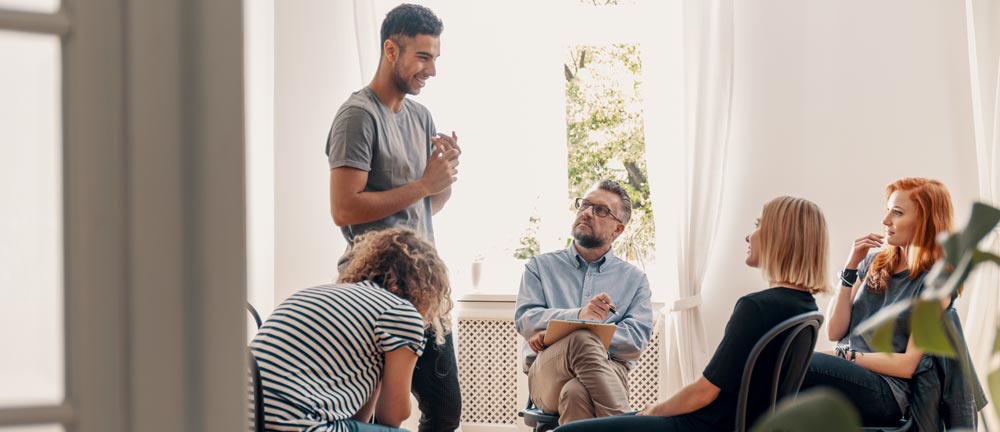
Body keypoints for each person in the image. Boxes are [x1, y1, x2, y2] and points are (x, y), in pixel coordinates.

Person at [555, 195, 829, 432]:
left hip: (703, 426)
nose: (749, 235)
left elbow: (704, 392)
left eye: (758, 226)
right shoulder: (805, 308)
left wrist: (655, 410)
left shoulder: (757, 308)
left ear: (779, 237)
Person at [325, 4, 461, 430]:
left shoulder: (421, 117)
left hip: (424, 285)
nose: (432, 70)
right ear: (390, 50)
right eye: (423, 57)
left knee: (444, 411)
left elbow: (426, 206)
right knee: (377, 412)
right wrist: (424, 183)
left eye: (435, 58)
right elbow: (344, 208)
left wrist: (445, 176)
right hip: (374, 286)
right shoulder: (358, 116)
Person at [250, 227, 452, 432]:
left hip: (243, 420)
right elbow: (393, 416)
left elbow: (357, 419)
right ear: (425, 288)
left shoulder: (315, 292)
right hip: (301, 425)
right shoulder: (400, 312)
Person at [800, 177, 954, 425]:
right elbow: (834, 330)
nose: (885, 221)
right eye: (888, 210)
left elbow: (908, 365)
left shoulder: (937, 284)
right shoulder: (873, 263)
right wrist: (850, 270)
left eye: (898, 212)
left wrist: (844, 357)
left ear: (925, 221)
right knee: (782, 367)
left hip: (886, 391)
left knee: (796, 365)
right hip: (849, 371)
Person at [514, 179, 655, 425]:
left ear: (618, 229)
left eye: (600, 210)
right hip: (547, 373)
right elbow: (526, 321)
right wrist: (581, 316)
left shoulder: (635, 280)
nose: (587, 213)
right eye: (584, 205)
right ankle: (627, 426)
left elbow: (635, 342)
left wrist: (559, 331)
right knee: (581, 338)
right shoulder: (540, 267)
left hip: (611, 373)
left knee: (576, 392)